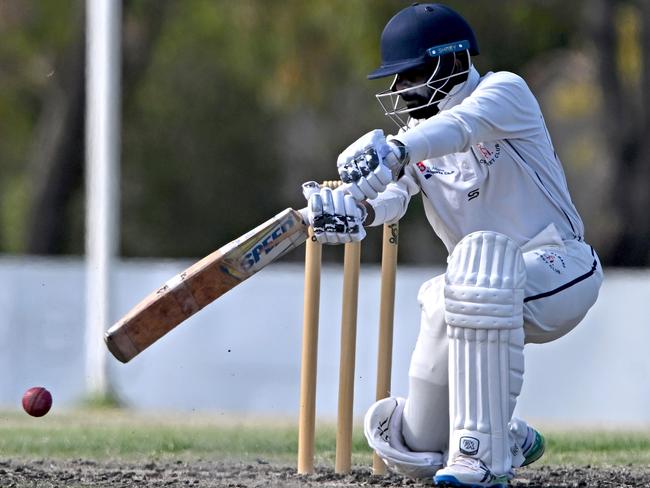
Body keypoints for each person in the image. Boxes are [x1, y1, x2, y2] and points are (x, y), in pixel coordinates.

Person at [303, 3, 603, 487]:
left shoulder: (504, 92)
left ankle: (482, 459)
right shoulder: (413, 142)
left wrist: (399, 150)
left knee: (481, 275)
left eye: (411, 75)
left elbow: (459, 129)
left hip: (562, 269)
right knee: (416, 447)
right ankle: (499, 435)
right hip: (474, 294)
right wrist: (354, 210)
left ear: (451, 61)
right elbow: (393, 199)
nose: (401, 90)